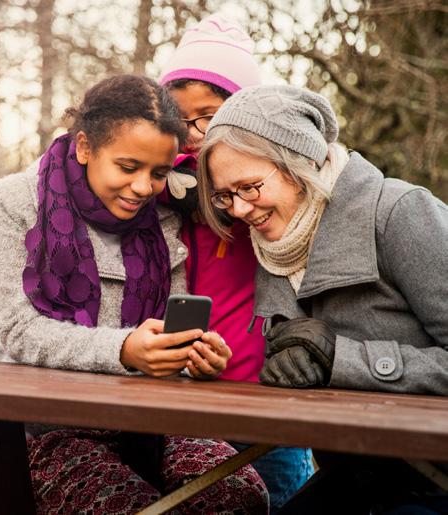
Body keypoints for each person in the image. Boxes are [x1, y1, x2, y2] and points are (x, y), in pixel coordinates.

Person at [0, 74, 268, 514]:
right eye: (128, 168)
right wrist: (125, 349)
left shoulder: (162, 218)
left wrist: (194, 356)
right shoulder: (13, 202)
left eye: (159, 174)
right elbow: (18, 330)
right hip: (54, 426)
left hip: (156, 418)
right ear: (85, 147)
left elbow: (171, 327)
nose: (142, 189)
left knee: (237, 495)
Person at [197, 83, 448, 513]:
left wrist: (341, 358)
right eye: (224, 196)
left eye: (249, 187)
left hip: (434, 482)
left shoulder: (400, 213)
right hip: (355, 477)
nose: (238, 211)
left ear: (299, 164)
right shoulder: (276, 242)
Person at [160, 14, 314, 512]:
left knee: (284, 498)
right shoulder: (165, 192)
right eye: (179, 119)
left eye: (207, 115)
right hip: (195, 402)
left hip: (271, 401)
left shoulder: (269, 192)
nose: (192, 134)